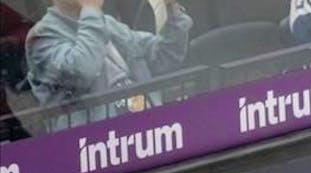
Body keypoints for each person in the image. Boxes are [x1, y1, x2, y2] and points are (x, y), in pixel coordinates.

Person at [24, 0, 192, 130]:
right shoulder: (41, 37)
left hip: (149, 133)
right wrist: (91, 10)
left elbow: (166, 56)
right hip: (96, 152)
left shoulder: (108, 23)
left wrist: (171, 8)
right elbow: (84, 69)